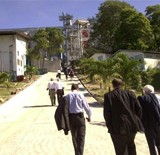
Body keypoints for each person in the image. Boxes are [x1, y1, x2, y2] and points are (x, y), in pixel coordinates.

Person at [103, 78, 144, 155]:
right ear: (122, 84)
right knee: (131, 147)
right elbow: (139, 109)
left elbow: (107, 113)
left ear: (113, 85)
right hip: (132, 126)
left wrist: (109, 126)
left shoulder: (108, 96)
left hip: (117, 128)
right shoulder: (131, 94)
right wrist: (136, 120)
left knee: (120, 150)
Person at [65, 83, 92, 155]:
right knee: (81, 137)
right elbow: (87, 107)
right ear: (78, 89)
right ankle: (79, 153)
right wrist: (89, 117)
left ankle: (77, 153)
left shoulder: (67, 96)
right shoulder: (80, 95)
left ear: (71, 89)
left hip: (71, 118)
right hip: (80, 117)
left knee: (74, 136)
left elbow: (65, 108)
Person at [137, 85, 160, 155]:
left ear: (144, 91)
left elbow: (139, 111)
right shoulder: (158, 97)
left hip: (148, 124)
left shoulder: (142, 98)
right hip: (158, 123)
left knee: (151, 144)